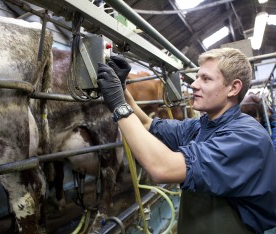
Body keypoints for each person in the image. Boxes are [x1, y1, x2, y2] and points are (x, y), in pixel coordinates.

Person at [97, 48, 276, 234]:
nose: (194, 85)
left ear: (233, 88)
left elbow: (162, 168)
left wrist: (118, 107)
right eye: (197, 77)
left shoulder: (246, 137)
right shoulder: (199, 126)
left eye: (206, 79)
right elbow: (146, 123)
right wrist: (122, 89)